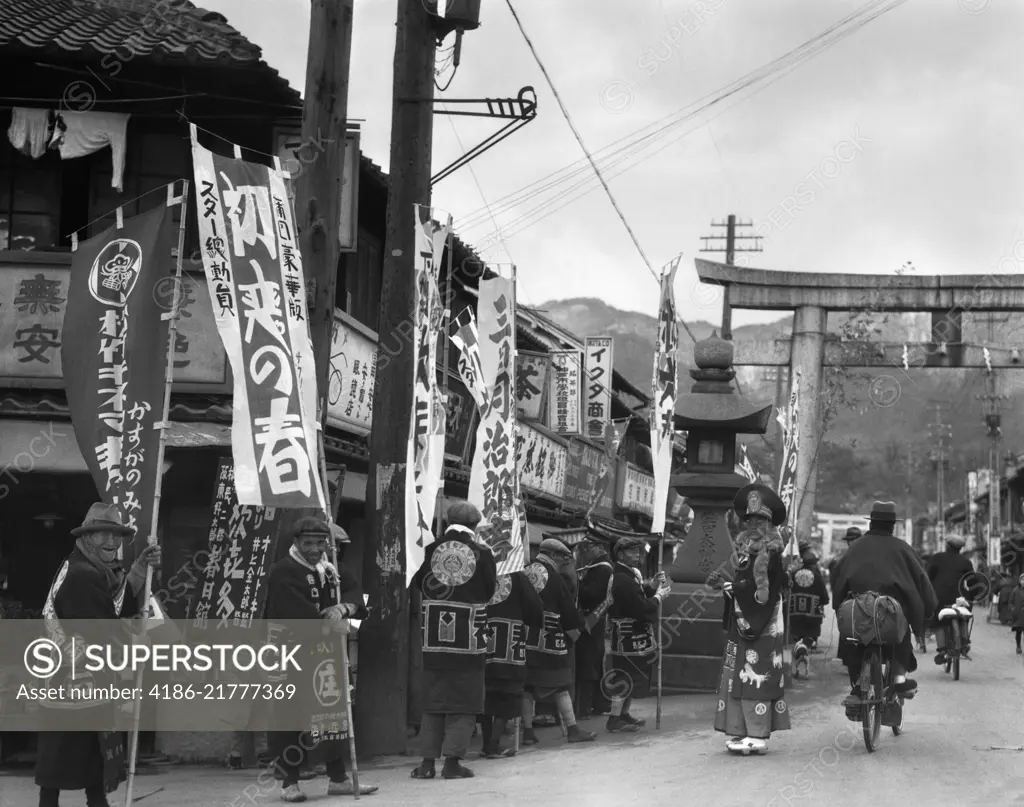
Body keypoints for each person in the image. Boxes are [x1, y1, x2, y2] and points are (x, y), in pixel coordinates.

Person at [35, 503, 161, 807]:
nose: (111, 542)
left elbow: (114, 606)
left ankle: (93, 801)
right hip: (74, 680)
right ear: (87, 537)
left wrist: (140, 568)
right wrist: (136, 640)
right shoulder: (83, 574)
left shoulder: (86, 567)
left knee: (87, 751)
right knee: (69, 751)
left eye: (116, 535)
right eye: (102, 534)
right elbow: (102, 627)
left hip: (72, 678)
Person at [264, 516, 377, 801]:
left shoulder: (331, 570)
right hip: (290, 653)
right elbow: (295, 612)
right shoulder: (283, 571)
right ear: (296, 543)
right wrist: (330, 623)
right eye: (308, 543)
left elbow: (356, 596)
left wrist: (344, 607)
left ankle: (337, 777)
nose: (314, 549)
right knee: (291, 715)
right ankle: (289, 782)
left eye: (319, 543)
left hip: (326, 655)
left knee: (332, 713)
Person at [411, 501, 496, 780]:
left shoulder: (429, 550)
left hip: (434, 637)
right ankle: (451, 764)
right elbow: (488, 592)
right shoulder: (483, 553)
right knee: (465, 701)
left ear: (448, 522)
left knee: (434, 701)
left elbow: (418, 584)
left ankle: (426, 765)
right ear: (475, 526)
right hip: (469, 639)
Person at [831, 501, 937, 718]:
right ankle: (898, 680)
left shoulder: (855, 548)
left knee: (854, 641)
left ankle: (859, 685)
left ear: (871, 523)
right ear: (892, 526)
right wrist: (928, 609)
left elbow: (837, 578)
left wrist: (839, 606)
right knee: (901, 634)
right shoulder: (902, 548)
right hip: (892, 614)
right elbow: (922, 581)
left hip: (859, 613)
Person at [707, 484, 790, 755]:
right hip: (742, 623)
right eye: (749, 520)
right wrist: (726, 585)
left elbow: (765, 593)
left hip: (761, 624)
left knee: (757, 676)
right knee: (736, 676)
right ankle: (739, 730)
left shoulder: (773, 556)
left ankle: (757, 733)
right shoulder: (745, 554)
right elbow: (741, 583)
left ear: (770, 525)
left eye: (761, 520)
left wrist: (733, 588)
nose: (754, 525)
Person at [521, 539, 596, 745]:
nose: (565, 561)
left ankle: (527, 732)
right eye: (563, 557)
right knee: (561, 685)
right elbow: (568, 610)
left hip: (523, 640)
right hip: (550, 640)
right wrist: (578, 628)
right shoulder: (554, 578)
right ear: (553, 555)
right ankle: (572, 729)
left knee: (527, 687)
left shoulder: (524, 571)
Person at [605, 536, 670, 734]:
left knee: (631, 676)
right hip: (626, 636)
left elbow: (639, 594)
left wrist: (652, 586)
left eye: (637, 551)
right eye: (632, 552)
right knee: (624, 676)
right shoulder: (622, 579)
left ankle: (624, 714)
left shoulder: (629, 575)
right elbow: (639, 606)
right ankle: (614, 719)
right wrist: (659, 597)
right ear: (621, 554)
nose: (637, 555)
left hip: (634, 636)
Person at [479, 569, 544, 757]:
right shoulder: (517, 576)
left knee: (486, 693)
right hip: (509, 643)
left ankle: (487, 744)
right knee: (508, 694)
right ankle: (493, 744)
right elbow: (535, 609)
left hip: (479, 637)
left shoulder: (478, 568)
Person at [574, 537, 614, 719]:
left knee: (588, 663)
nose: (587, 551)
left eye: (589, 547)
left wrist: (578, 584)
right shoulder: (596, 567)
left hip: (593, 619)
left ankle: (585, 707)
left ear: (599, 548)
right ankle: (600, 703)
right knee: (594, 663)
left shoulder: (602, 569)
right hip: (594, 620)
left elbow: (593, 594)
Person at [926, 533, 978, 664]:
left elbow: (928, 577)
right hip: (959, 598)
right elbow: (973, 582)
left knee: (938, 619)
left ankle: (942, 650)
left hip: (939, 597)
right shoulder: (966, 562)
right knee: (964, 615)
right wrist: (972, 596)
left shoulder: (937, 558)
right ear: (960, 548)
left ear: (947, 545)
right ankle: (964, 642)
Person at [789, 543, 829, 649]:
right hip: (812, 621)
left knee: (797, 646)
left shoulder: (793, 573)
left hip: (796, 620)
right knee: (809, 647)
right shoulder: (816, 575)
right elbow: (825, 598)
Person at [1009, 574, 1024, 655]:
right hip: (1018, 615)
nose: (1023, 581)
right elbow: (1010, 602)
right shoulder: (1015, 590)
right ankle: (1018, 646)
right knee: (1019, 632)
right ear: (1019, 580)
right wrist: (1012, 609)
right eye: (1022, 579)